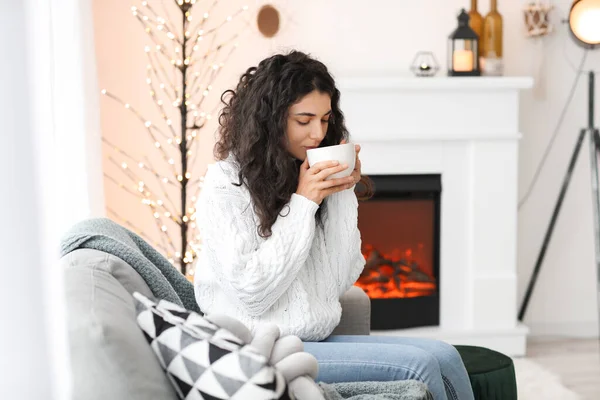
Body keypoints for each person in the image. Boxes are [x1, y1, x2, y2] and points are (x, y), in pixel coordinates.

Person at [194, 50, 474, 400]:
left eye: (325, 120)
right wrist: (304, 202)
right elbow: (253, 293)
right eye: (304, 120)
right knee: (421, 367)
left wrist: (341, 193)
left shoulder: (302, 171)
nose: (317, 133)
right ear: (270, 120)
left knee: (446, 355)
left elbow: (341, 279)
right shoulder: (225, 184)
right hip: (261, 351)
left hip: (316, 339)